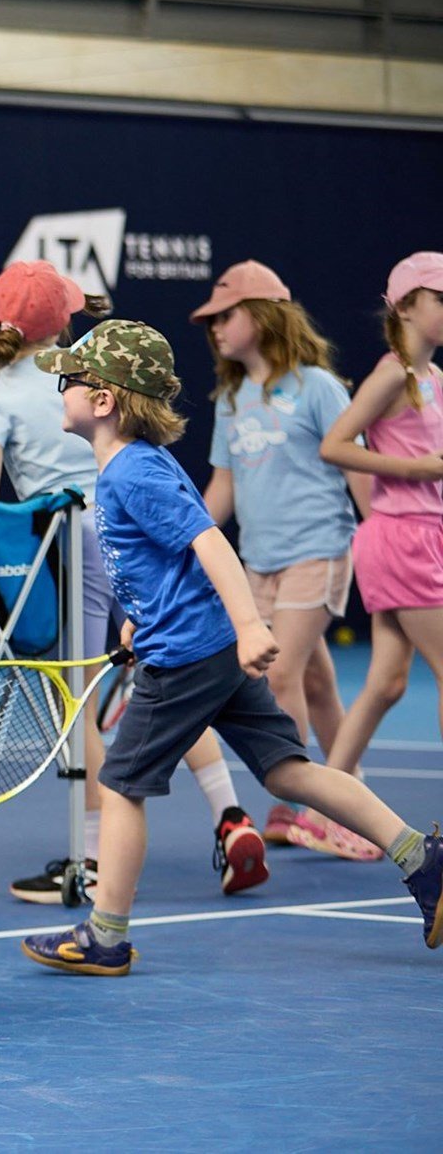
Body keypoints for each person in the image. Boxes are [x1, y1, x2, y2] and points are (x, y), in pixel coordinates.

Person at [20, 320, 441, 975]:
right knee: (287, 772)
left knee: (122, 784)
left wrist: (250, 624)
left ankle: (105, 936)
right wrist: (138, 619)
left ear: (103, 401)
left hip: (189, 656)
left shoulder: (132, 473)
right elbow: (164, 563)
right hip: (200, 644)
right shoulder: (134, 467)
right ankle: (424, 859)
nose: (61, 389)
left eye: (69, 381)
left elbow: (209, 543)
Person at [0, 262, 264, 904]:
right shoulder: (97, 369)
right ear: (66, 319)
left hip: (63, 550)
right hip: (138, 538)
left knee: (73, 706)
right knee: (170, 680)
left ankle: (94, 859)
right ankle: (231, 814)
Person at [191, 260, 372, 857]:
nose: (215, 327)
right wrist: (180, 539)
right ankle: (355, 802)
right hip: (257, 563)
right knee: (316, 682)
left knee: (280, 676)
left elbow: (357, 467)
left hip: (318, 550)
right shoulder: (231, 399)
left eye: (227, 315)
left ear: (264, 316)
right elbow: (222, 490)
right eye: (212, 319)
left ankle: (297, 803)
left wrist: (379, 534)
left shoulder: (318, 387)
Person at [312, 251, 443, 815]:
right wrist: (417, 470)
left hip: (420, 535)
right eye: (442, 299)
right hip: (403, 539)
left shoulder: (434, 376)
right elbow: (335, 445)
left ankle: (325, 804)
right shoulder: (393, 373)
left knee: (388, 682)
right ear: (409, 307)